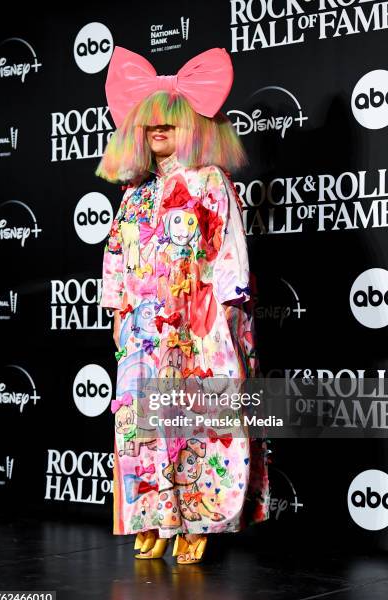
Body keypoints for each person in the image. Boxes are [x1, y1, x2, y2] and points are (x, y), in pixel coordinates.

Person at [95, 46, 270, 564]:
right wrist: (118, 312)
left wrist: (227, 320)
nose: (158, 133)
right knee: (143, 425)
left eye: (168, 122)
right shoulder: (133, 193)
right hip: (144, 332)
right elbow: (116, 257)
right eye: (149, 125)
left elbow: (230, 254)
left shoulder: (212, 183)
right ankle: (152, 518)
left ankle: (198, 521)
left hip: (199, 327)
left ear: (192, 124)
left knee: (199, 421)